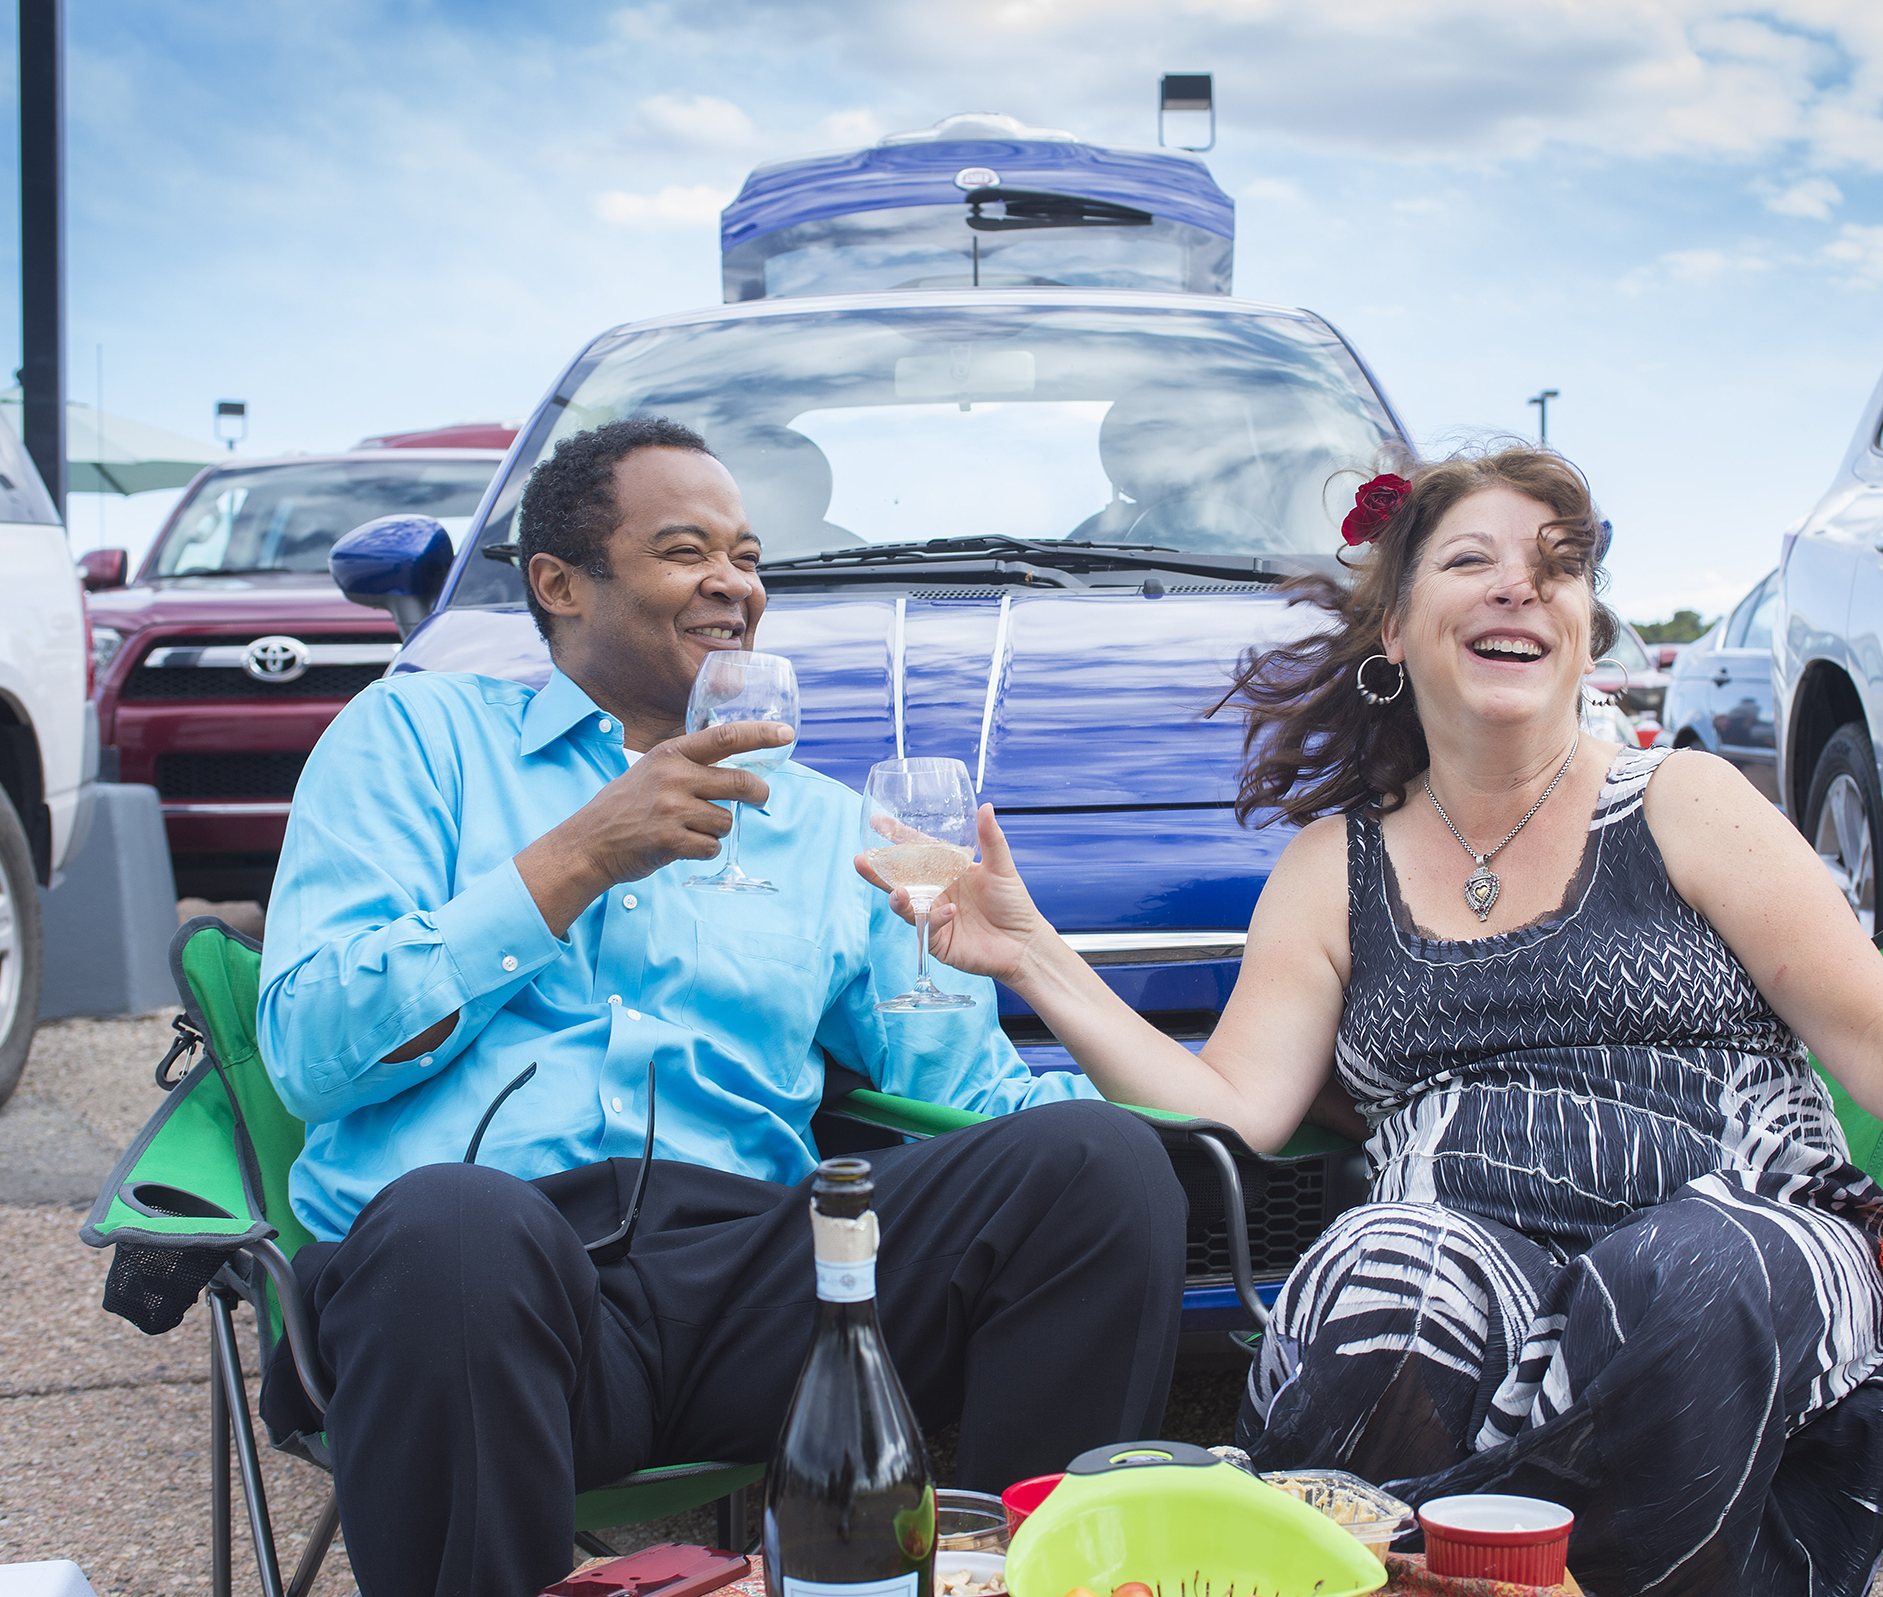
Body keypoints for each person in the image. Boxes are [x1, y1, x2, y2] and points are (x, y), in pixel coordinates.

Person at [861, 444, 1883, 1595]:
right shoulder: (1334, 867)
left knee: (1678, 1281)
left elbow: (1874, 1034)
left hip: (1738, 1221)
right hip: (1460, 1232)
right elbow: (1236, 1104)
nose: (1518, 586)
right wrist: (1034, 956)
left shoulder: (1682, 805)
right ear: (1394, 630)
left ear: (1585, 632)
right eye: (1470, 559)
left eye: (1554, 568)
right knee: (1381, 1286)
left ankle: (1398, 1557)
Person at [254, 417, 1185, 1597]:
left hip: (756, 1279)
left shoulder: (826, 824)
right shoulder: (416, 737)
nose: (732, 585)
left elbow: (968, 1098)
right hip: (482, 1297)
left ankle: (1011, 1580)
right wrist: (577, 859)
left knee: (1095, 1165)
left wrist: (1032, 991)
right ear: (560, 583)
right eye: (686, 550)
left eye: (747, 557)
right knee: (455, 1227)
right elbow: (309, 1052)